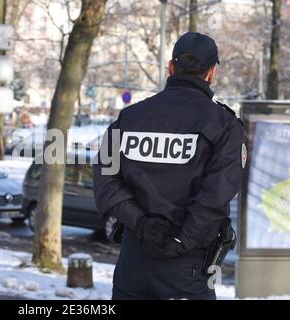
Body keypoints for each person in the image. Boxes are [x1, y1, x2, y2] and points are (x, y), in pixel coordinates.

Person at [93, 32, 245, 300]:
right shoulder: (224, 125)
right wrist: (181, 241)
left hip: (133, 262)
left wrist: (141, 224)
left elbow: (106, 181)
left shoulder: (129, 117)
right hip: (188, 266)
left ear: (171, 68)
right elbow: (215, 197)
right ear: (211, 73)